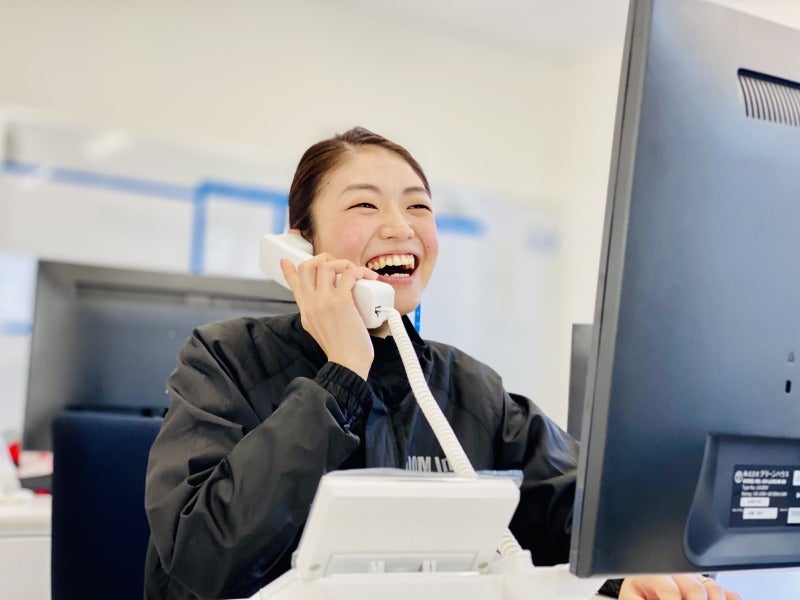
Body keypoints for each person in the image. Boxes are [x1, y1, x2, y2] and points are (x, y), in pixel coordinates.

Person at [144, 127, 739, 600]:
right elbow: (203, 555)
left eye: (418, 206)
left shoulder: (466, 387)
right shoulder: (223, 360)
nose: (400, 227)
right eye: (364, 205)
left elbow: (576, 504)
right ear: (301, 245)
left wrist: (630, 567)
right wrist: (341, 375)